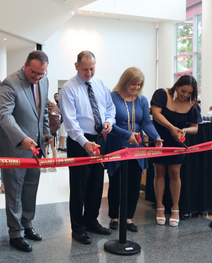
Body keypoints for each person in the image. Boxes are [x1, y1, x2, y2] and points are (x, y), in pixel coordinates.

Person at [0, 50, 51, 252]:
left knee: (30, 188)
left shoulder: (44, 82)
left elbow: (42, 111)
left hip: (36, 148)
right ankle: (15, 233)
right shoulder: (10, 83)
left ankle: (27, 224)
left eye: (41, 74)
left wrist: (46, 133)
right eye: (34, 73)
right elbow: (5, 116)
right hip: (15, 147)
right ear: (26, 65)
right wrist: (22, 138)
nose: (37, 78)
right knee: (14, 192)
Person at [59, 50, 115, 244]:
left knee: (96, 184)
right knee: (79, 187)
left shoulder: (99, 84)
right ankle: (78, 228)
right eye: (85, 69)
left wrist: (109, 121)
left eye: (92, 68)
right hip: (78, 141)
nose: (89, 73)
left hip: (99, 139)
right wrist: (85, 143)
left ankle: (91, 220)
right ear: (76, 66)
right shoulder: (68, 88)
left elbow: (110, 108)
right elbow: (70, 122)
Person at [106, 67, 163, 232]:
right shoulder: (112, 98)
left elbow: (146, 123)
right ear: (125, 81)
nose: (136, 88)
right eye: (133, 84)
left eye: (139, 85)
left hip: (136, 148)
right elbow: (110, 124)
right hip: (116, 145)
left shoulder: (142, 100)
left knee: (134, 182)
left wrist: (156, 137)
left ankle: (128, 217)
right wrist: (126, 135)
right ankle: (114, 217)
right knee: (116, 182)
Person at [151, 75, 201, 227]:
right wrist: (171, 128)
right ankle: (160, 208)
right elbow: (156, 113)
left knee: (175, 173)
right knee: (159, 172)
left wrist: (184, 130)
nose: (184, 95)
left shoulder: (192, 104)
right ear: (177, 86)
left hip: (177, 141)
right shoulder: (162, 94)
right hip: (160, 139)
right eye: (183, 90)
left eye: (188, 93)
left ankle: (175, 208)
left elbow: (195, 128)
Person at [43, 100, 60, 172]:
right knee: (54, 148)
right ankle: (54, 166)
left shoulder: (44, 107)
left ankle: (45, 166)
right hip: (54, 131)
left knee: (45, 147)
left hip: (47, 131)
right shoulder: (54, 107)